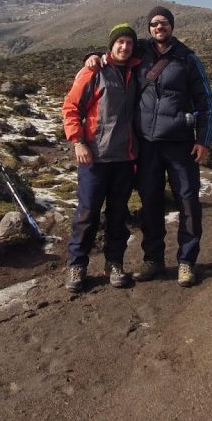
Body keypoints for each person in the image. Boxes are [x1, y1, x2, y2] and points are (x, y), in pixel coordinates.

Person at [86, 5, 212, 288]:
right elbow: (113, 54)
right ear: (149, 28)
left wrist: (203, 140)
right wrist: (91, 58)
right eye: (155, 23)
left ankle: (186, 262)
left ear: (171, 26)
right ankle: (153, 260)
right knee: (151, 204)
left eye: (164, 23)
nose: (159, 27)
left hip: (180, 144)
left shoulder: (188, 58)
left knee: (188, 202)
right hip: (146, 145)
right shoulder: (139, 52)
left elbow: (206, 101)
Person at [61, 23, 142, 292]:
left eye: (129, 43)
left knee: (118, 214)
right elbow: (71, 107)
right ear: (111, 45)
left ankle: (114, 263)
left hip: (124, 158)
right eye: (120, 42)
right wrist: (77, 141)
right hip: (94, 157)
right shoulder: (94, 71)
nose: (125, 47)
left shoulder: (136, 70)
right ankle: (77, 264)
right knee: (87, 213)